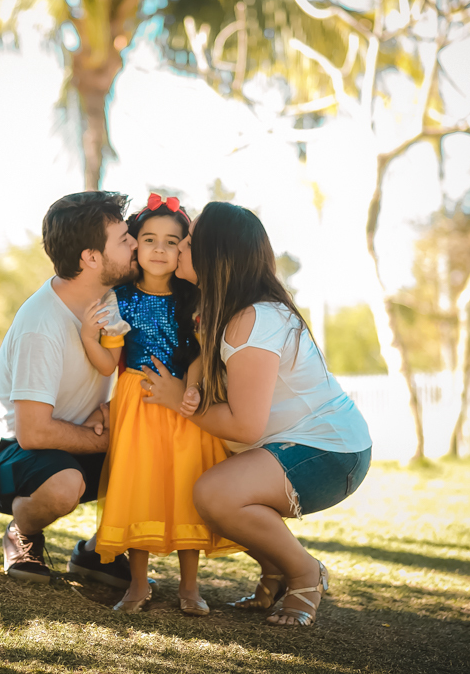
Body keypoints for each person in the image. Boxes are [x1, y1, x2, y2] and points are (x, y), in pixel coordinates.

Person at [141, 201, 372, 627]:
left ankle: (304, 572)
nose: (179, 249)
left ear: (216, 256)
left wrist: (178, 400)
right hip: (296, 445)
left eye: (189, 242)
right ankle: (275, 570)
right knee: (210, 483)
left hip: (330, 451)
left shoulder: (254, 320)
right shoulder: (224, 312)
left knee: (216, 493)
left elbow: (245, 425)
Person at [0, 191, 138, 587]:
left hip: (69, 438)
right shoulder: (42, 325)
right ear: (91, 258)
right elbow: (33, 432)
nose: (134, 246)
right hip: (6, 453)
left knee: (161, 442)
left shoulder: (108, 300)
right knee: (64, 486)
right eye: (124, 239)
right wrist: (108, 439)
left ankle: (99, 552)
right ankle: (22, 533)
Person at [79, 194, 241, 615]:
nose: (159, 249)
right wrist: (86, 338)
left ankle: (190, 587)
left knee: (186, 485)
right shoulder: (120, 298)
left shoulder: (195, 299)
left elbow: (203, 352)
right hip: (138, 401)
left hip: (184, 405)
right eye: (148, 239)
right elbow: (106, 363)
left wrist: (193, 387)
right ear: (135, 243)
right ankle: (137, 585)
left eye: (172, 242)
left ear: (186, 249)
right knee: (140, 484)